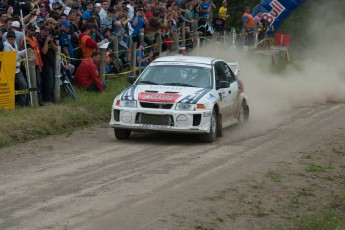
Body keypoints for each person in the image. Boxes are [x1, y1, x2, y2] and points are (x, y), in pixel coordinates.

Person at [3, 30, 28, 106]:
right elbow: (11, 59)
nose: (10, 40)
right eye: (9, 38)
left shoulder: (14, 44)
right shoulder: (6, 47)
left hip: (17, 69)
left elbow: (17, 54)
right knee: (10, 87)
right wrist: (21, 60)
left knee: (23, 85)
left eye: (12, 38)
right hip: (9, 70)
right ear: (7, 38)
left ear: (14, 38)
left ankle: (21, 103)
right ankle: (9, 103)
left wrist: (25, 51)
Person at [38, 25, 58, 103]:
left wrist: (51, 41)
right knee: (49, 82)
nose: (47, 32)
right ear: (41, 31)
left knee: (52, 81)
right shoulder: (39, 40)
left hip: (52, 63)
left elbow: (56, 50)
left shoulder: (51, 40)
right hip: (45, 64)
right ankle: (47, 99)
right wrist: (46, 41)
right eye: (45, 30)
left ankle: (51, 97)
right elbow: (44, 51)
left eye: (48, 30)